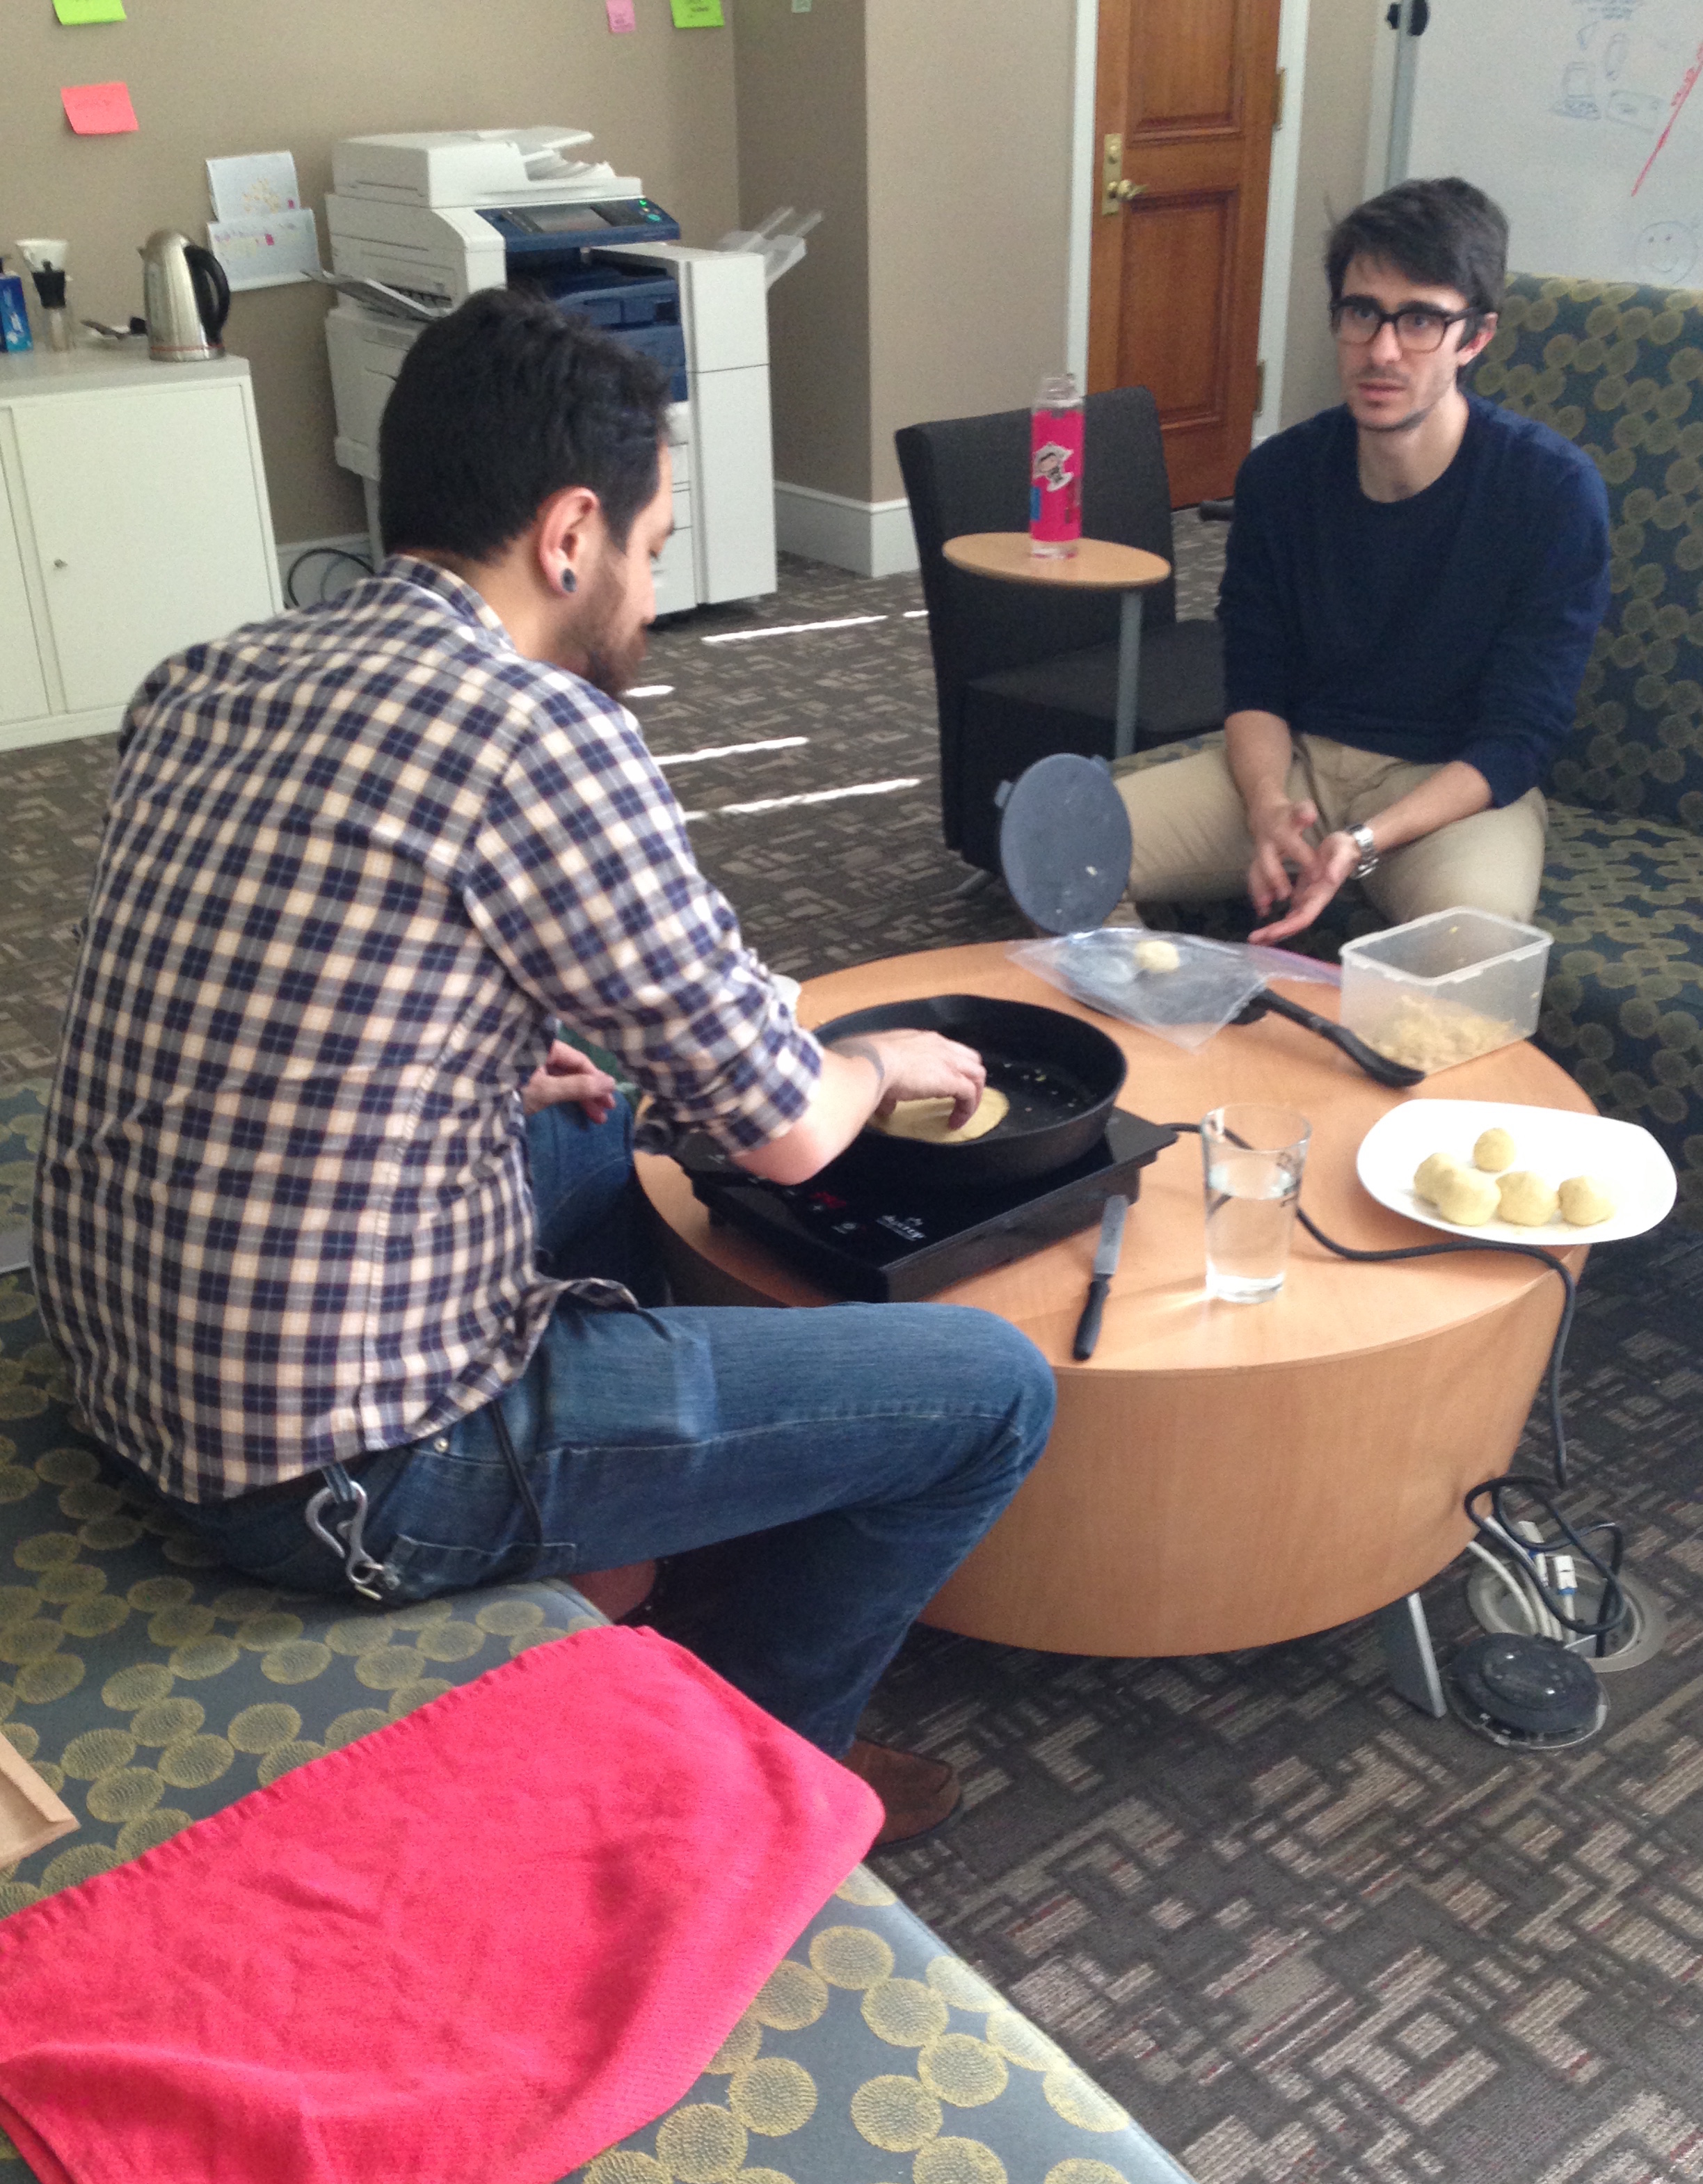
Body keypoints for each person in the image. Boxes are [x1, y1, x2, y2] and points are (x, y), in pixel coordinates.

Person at [31, 289, 1057, 1847]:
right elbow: (784, 1131)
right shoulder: (537, 731)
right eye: (652, 549)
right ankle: (749, 1775)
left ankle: (652, 1519)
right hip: (349, 1474)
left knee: (613, 1113)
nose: (647, 587)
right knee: (993, 1390)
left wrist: (477, 1061)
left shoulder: (206, 677)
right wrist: (874, 1055)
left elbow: (270, 982)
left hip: (132, 1361)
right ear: (571, 532)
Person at [1113, 177, 1612, 946]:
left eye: (1419, 320)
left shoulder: (1550, 492)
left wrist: (1369, 840)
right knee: (1067, 843)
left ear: (1475, 337)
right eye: (1362, 314)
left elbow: (1520, 737)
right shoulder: (1280, 475)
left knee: (1473, 945)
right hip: (1302, 765)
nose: (1382, 351)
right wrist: (1266, 806)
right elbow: (1256, 676)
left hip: (1450, 791)